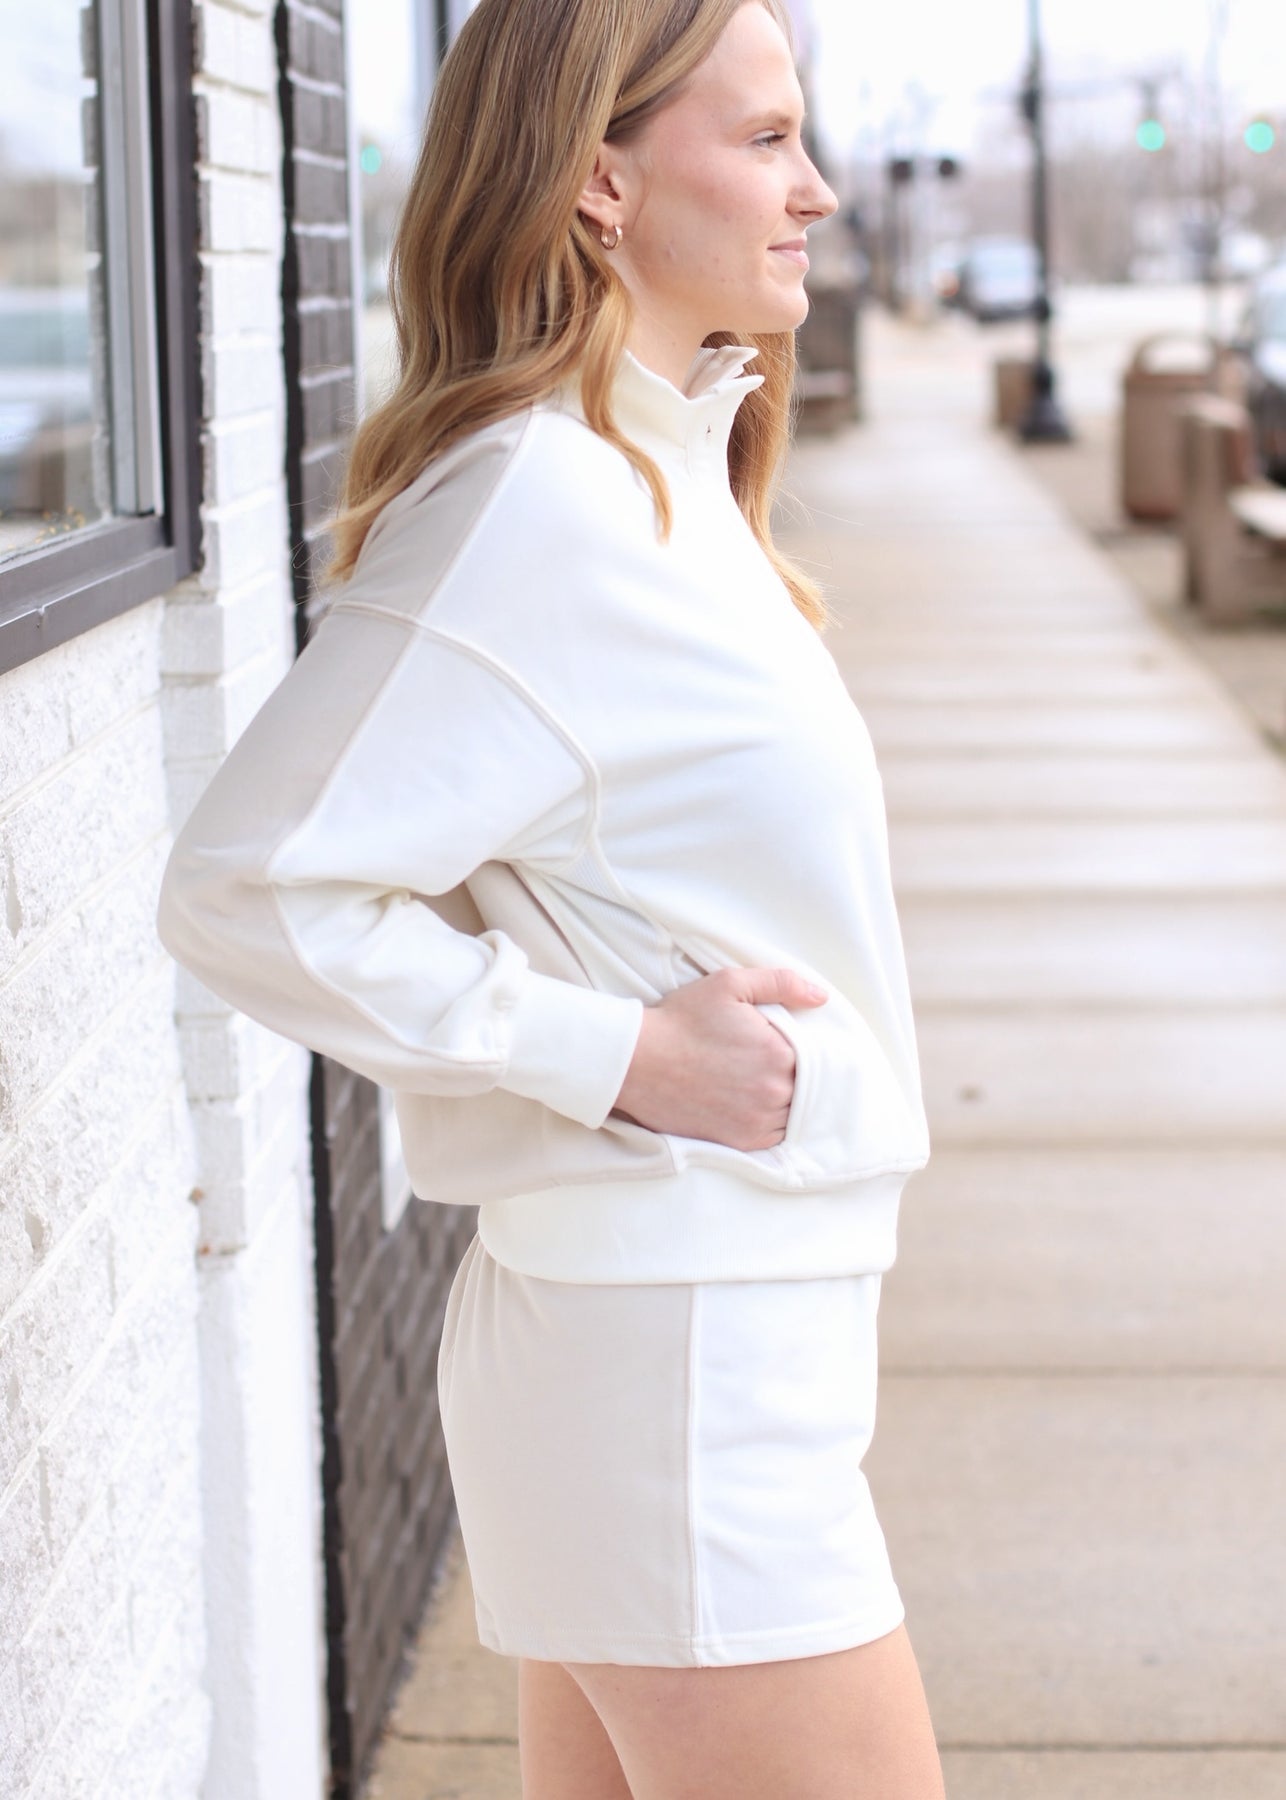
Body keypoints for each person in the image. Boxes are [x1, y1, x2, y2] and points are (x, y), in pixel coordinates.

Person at [157, 0, 946, 1793]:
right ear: (601, 180)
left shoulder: (659, 477)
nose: (816, 190)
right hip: (677, 1358)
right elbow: (246, 888)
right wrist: (621, 1056)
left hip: (699, 1334)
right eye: (763, 139)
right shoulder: (539, 500)